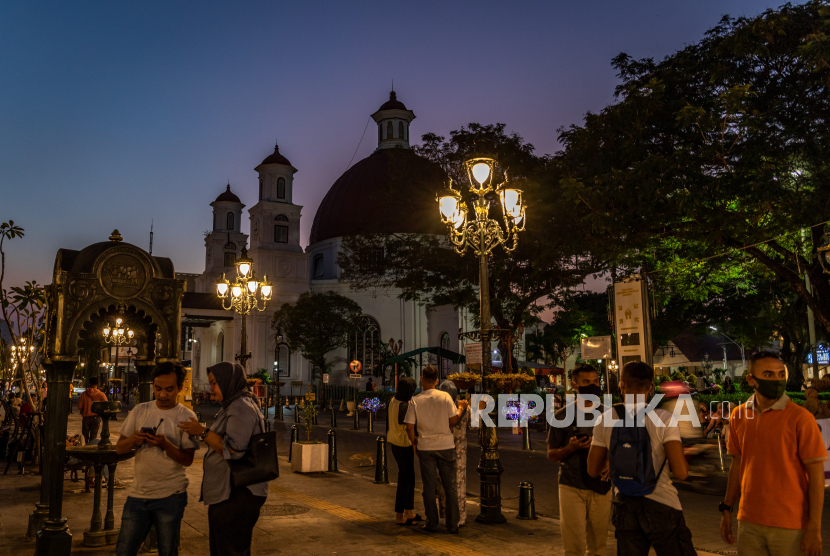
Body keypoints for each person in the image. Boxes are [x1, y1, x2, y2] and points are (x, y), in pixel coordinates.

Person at [720, 352, 827, 556]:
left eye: (780, 374)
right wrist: (727, 508)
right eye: (768, 375)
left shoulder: (800, 418)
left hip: (791, 524)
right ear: (751, 380)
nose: (777, 380)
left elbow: (816, 475)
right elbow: (737, 464)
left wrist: (814, 528)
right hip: (748, 521)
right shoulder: (739, 415)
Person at [588, 361, 695, 555]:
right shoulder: (664, 419)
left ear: (622, 384)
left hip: (624, 505)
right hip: (662, 504)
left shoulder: (605, 419)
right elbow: (681, 472)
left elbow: (592, 470)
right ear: (651, 388)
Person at [179, 362, 270, 556]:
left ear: (228, 382)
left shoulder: (240, 406)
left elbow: (235, 449)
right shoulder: (236, 404)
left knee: (228, 549)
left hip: (237, 493)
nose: (210, 389)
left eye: (214, 383)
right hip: (232, 492)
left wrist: (202, 432)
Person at [114, 363, 199, 556]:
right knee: (124, 550)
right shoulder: (140, 410)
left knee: (167, 551)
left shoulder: (186, 416)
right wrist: (134, 440)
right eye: (158, 388)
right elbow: (119, 448)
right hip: (138, 494)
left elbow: (187, 459)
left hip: (171, 495)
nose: (162, 394)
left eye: (169, 390)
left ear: (179, 387)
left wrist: (165, 444)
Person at [548, 363, 612, 556]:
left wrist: (609, 462)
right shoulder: (562, 416)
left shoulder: (609, 414)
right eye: (586, 382)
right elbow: (551, 454)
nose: (592, 386)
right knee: (573, 545)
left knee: (599, 545)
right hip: (571, 485)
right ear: (574, 386)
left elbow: (619, 447)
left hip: (602, 485)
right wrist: (571, 448)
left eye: (595, 382)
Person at [404, 365, 467, 534]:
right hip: (446, 445)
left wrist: (414, 443)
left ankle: (432, 522)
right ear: (437, 381)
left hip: (426, 447)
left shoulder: (416, 400)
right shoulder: (445, 397)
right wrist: (461, 408)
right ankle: (452, 524)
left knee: (429, 487)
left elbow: (409, 427)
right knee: (450, 486)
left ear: (422, 379)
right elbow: (453, 420)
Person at [436, 379, 471, 526]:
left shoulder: (439, 409)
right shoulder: (465, 408)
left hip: (441, 447)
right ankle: (459, 517)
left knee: (443, 482)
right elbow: (475, 426)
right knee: (458, 484)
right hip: (459, 450)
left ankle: (445, 513)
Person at [387, 377, 421, 525]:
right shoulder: (405, 405)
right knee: (404, 480)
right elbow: (408, 426)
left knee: (409, 478)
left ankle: (408, 511)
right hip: (404, 444)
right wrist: (415, 441)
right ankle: (399, 516)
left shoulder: (392, 401)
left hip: (394, 442)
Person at [78, 377, 108, 444]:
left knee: (84, 436)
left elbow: (79, 407)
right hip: (96, 417)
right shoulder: (101, 395)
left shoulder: (83, 394)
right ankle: (91, 449)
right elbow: (106, 405)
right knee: (93, 437)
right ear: (98, 384)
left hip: (86, 417)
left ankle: (84, 450)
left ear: (89, 383)